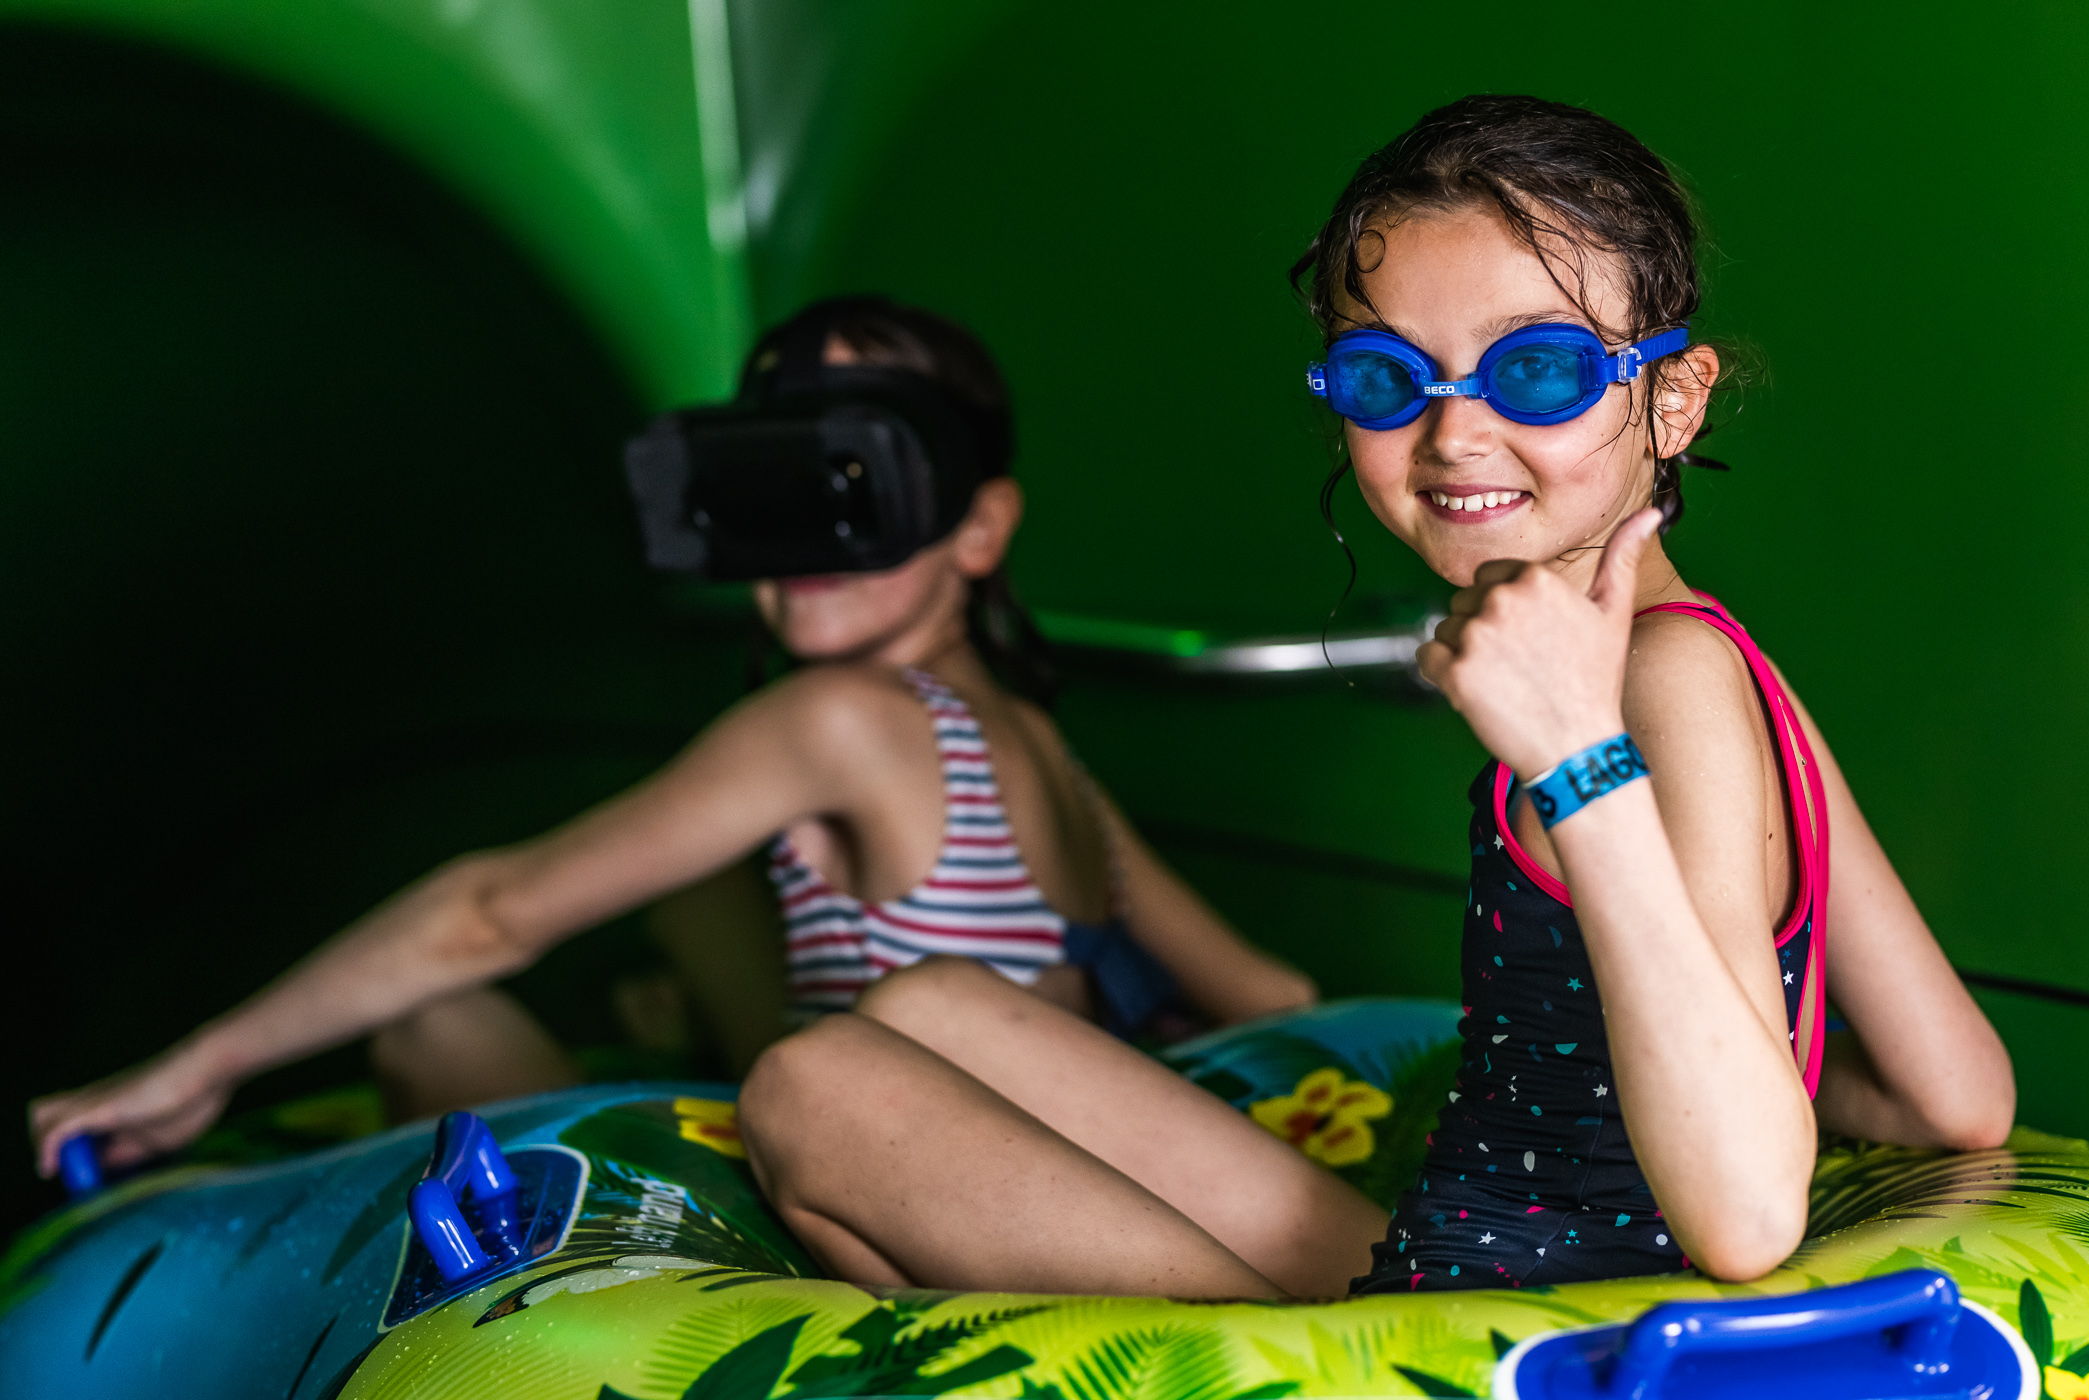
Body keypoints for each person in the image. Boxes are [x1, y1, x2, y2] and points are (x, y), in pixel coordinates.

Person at [733, 97, 2015, 1298]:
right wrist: (1727, 1060)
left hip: (1497, 1325)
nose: (1453, 435)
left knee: (809, 1085)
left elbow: (1744, 1217)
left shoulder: (1652, 685)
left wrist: (1575, 754)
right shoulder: (1724, 654)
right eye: (1388, 380)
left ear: (1672, 398)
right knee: (924, 1006)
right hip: (1461, 1241)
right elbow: (1957, 1092)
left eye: (1540, 371)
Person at [28, 295, 1315, 1181]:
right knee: (698, 885)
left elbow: (489, 913)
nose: (807, 531)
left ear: (978, 528)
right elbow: (1274, 996)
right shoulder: (1035, 744)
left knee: (442, 1026)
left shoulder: (839, 718)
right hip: (1011, 1155)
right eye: (772, 481)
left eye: (858, 483)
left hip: (913, 1194)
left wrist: (193, 1067)